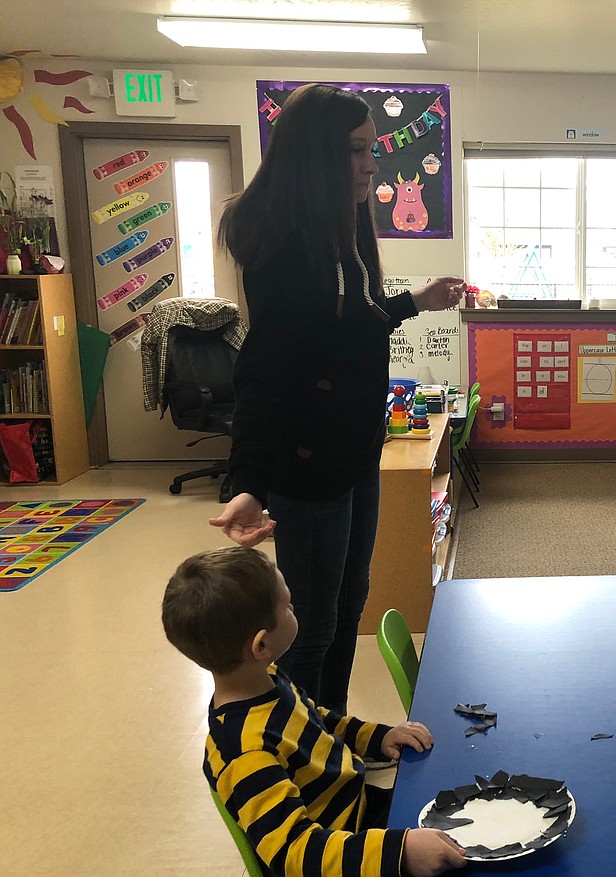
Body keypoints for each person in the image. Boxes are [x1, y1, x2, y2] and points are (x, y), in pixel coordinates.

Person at [211, 82, 466, 711]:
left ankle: (334, 731)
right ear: (317, 156)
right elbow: (266, 370)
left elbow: (347, 322)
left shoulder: (343, 223)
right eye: (357, 152)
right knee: (311, 626)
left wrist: (412, 302)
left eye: (372, 150)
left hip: (355, 448)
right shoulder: (283, 246)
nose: (372, 165)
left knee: (351, 606)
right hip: (308, 463)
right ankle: (307, 751)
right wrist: (248, 478)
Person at [161, 546, 466, 877]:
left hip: (359, 810)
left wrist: (378, 737)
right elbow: (295, 854)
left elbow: (318, 721)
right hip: (342, 852)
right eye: (288, 606)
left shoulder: (268, 680)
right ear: (261, 645)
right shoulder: (246, 753)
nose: (295, 609)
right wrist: (400, 853)